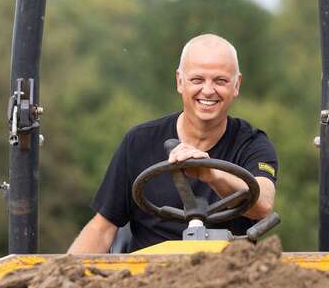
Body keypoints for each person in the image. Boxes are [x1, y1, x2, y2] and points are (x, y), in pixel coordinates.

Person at [67, 34, 278, 254]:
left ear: (236, 85)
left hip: (226, 277)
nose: (208, 90)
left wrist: (212, 173)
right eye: (197, 79)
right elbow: (102, 228)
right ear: (180, 81)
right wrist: (62, 277)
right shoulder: (139, 142)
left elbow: (262, 205)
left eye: (220, 81)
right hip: (148, 278)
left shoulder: (253, 144)